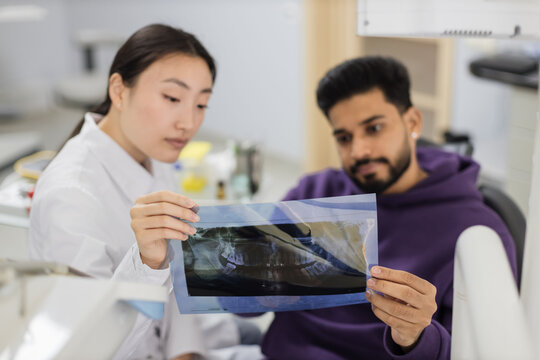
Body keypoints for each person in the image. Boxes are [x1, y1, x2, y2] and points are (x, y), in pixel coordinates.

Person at [258, 56, 517, 359]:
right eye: (344, 137)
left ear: (413, 123)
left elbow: (484, 351)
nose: (359, 151)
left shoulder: (476, 234)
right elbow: (246, 304)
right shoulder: (314, 192)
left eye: (374, 128)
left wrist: (416, 336)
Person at [29, 24, 261, 360]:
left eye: (201, 104)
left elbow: (175, 274)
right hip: (124, 347)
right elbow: (89, 346)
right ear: (119, 91)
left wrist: (188, 352)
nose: (188, 123)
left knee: (261, 333)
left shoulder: (153, 153)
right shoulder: (71, 198)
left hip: (169, 333)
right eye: (172, 98)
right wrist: (148, 265)